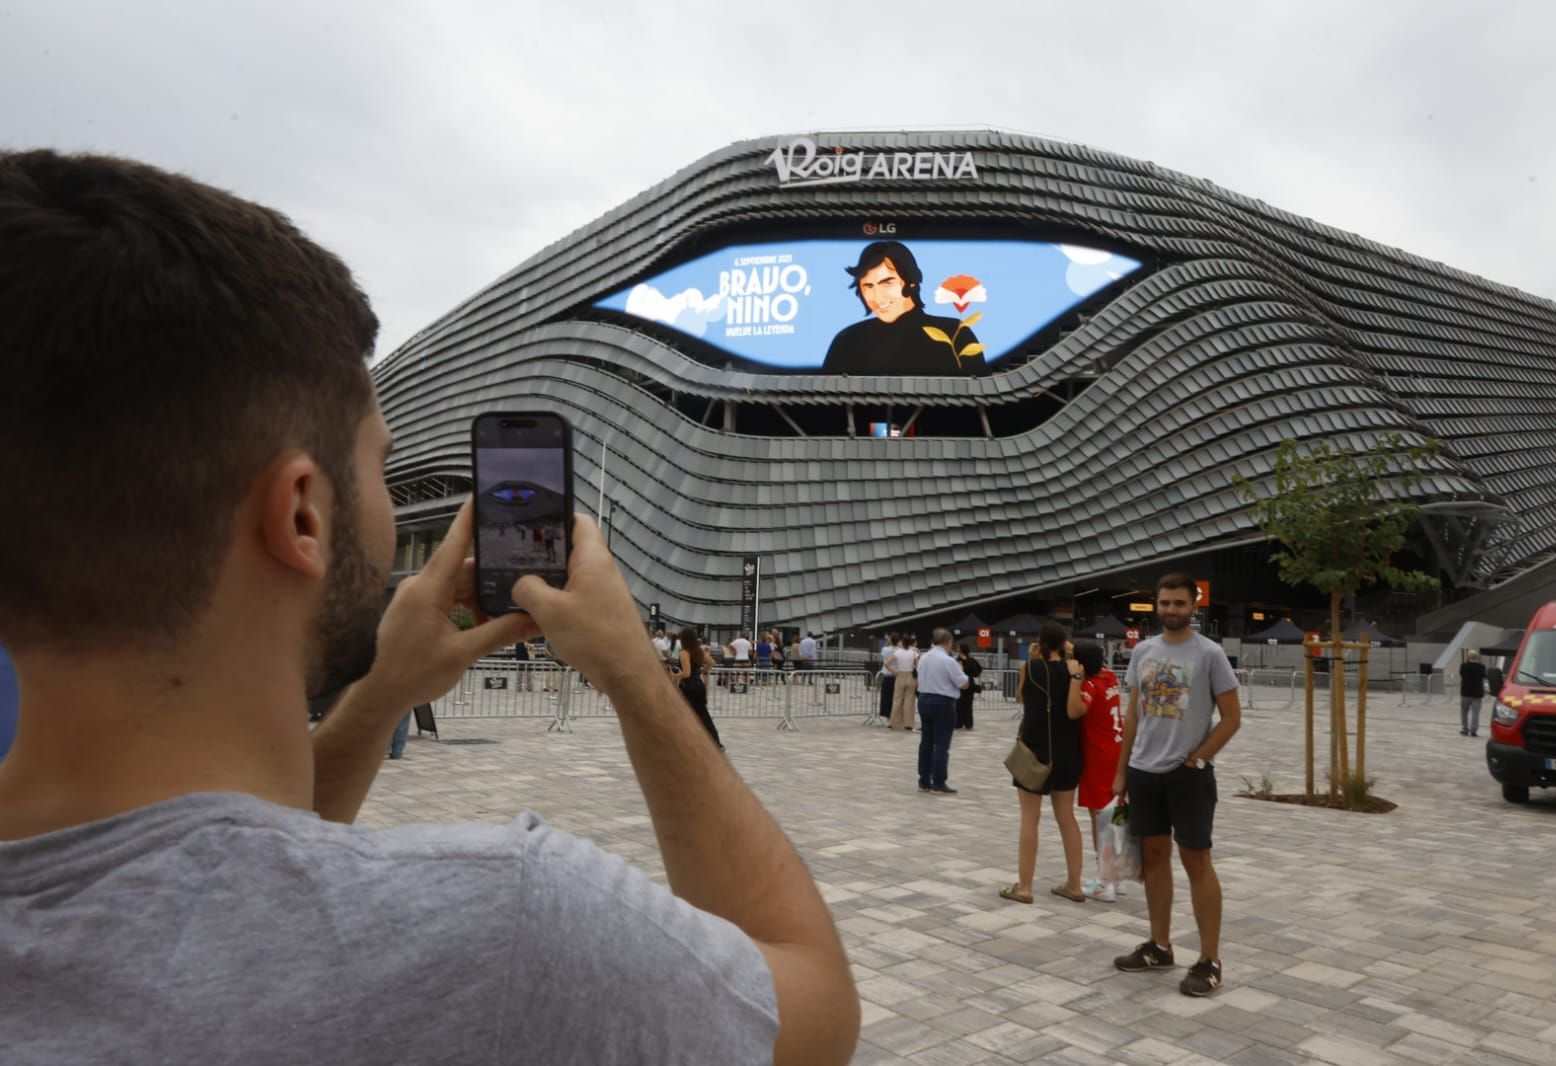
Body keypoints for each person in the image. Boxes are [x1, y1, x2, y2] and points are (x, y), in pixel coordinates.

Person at [0, 150, 859, 1064]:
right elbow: (812, 1011)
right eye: (378, 462)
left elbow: (221, 877)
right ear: (302, 514)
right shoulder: (503, 927)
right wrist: (635, 679)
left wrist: (381, 694)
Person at [1112, 573, 1242, 998]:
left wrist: (1198, 758)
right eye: (1165, 602)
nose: (1171, 610)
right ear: (1156, 604)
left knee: (1196, 860)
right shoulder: (1143, 651)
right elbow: (1133, 715)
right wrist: (1122, 770)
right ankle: (1160, 945)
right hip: (1144, 771)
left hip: (1188, 775)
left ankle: (1209, 960)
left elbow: (1232, 718)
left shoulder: (1210, 654)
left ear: (1193, 606)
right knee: (1153, 858)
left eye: (1179, 603)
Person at [1000, 622, 1085, 904]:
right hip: (1068, 751)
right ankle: (1074, 884)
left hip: (1034, 751)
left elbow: (1020, 695)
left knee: (1030, 819)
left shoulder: (1030, 667)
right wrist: (1069, 652)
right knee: (1067, 817)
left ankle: (1025, 887)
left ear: (1039, 641)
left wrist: (1035, 657)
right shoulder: (1075, 670)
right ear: (1063, 643)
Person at [820, 242, 990, 376]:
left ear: (912, 281)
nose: (878, 296)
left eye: (887, 283)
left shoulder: (955, 333)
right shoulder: (848, 340)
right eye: (868, 286)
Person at [1071, 643, 1124, 902]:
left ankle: (1105, 882)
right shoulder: (1110, 677)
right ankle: (1117, 874)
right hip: (1117, 750)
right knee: (1116, 816)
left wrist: (1074, 677)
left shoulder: (1090, 686)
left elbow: (1075, 711)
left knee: (1100, 819)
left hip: (1098, 755)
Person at [914, 629, 969, 795]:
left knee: (926, 742)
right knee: (941, 744)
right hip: (943, 702)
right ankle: (938, 782)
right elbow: (963, 684)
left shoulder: (924, 658)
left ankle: (924, 781)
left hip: (924, 699)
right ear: (948, 642)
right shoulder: (948, 661)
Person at [672, 627, 721, 750]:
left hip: (688, 687)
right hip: (699, 686)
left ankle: (684, 741)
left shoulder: (684, 653)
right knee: (703, 715)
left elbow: (686, 673)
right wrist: (703, 671)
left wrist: (674, 675)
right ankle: (716, 742)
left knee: (682, 714)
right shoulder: (700, 651)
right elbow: (712, 663)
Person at [887, 635, 919, 730]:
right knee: (909, 701)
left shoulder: (898, 652)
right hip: (911, 676)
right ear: (910, 643)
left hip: (900, 675)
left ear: (902, 642)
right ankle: (908, 724)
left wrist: (894, 672)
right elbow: (918, 666)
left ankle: (892, 722)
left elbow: (887, 664)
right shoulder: (914, 653)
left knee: (897, 700)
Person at [955, 643, 983, 730]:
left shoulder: (970, 660)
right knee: (958, 705)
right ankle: (958, 723)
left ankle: (968, 724)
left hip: (969, 685)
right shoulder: (957, 660)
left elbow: (978, 670)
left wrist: (973, 673)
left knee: (968, 705)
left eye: (958, 648)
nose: (957, 649)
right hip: (959, 685)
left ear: (962, 650)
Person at [1459, 650, 1487, 737]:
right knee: (1475, 713)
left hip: (1466, 693)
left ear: (1468, 657)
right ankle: (1473, 730)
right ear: (1477, 657)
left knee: (1464, 712)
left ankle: (1465, 729)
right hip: (1477, 694)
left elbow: (1461, 674)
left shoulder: (1464, 666)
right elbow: (1484, 676)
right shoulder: (1481, 667)